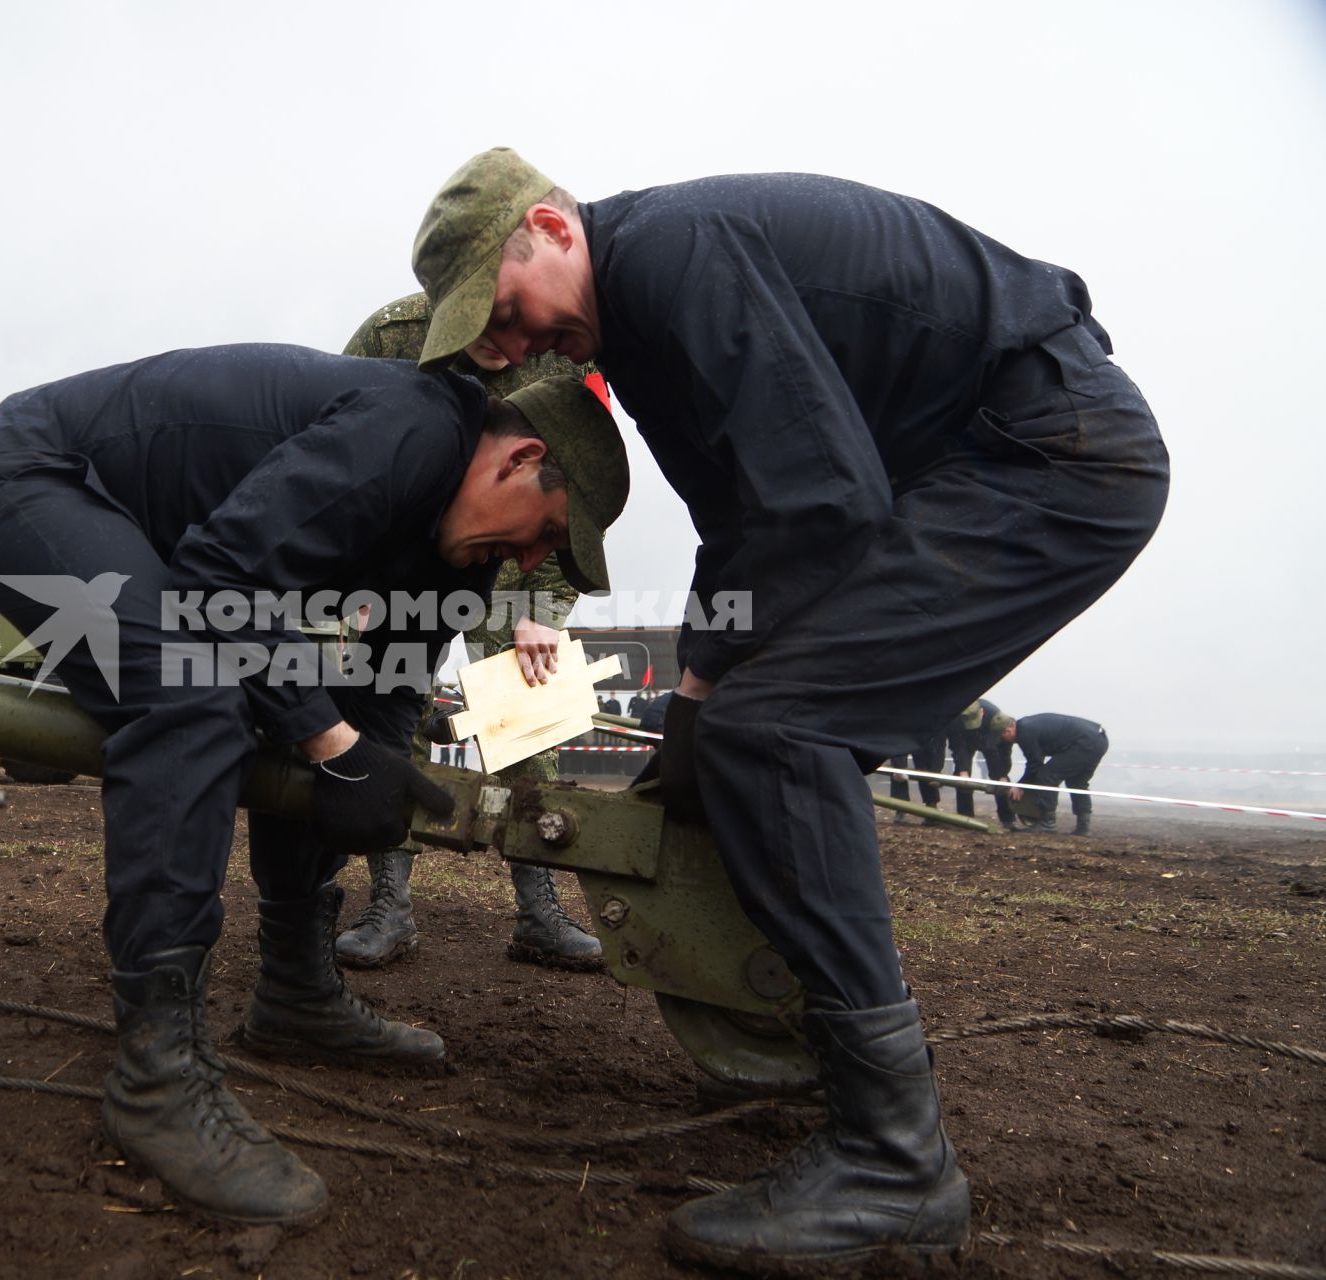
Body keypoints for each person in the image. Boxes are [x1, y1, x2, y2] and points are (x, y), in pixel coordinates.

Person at [409, 148, 1168, 1270]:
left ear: (551, 227)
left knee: (780, 731)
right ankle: (827, 1058)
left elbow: (823, 505)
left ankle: (894, 1158)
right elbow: (742, 521)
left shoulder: (668, 257)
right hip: (978, 462)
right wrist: (695, 709)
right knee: (735, 732)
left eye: (506, 307)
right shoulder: (643, 324)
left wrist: (727, 708)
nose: (510, 345)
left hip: (1047, 455)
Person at [0, 344, 626, 1226]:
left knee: (308, 715)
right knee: (191, 698)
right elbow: (220, 576)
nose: (533, 562)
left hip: (157, 541)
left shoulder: (464, 555)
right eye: (548, 533)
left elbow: (383, 692)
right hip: (34, 480)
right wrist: (331, 740)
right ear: (520, 459)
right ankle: (157, 1076)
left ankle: (296, 994)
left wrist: (366, 777)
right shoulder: (411, 432)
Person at [335, 292, 606, 971]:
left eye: (516, 325)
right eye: (482, 324)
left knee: (532, 717)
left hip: (515, 554)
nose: (504, 343)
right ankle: (389, 905)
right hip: (403, 555)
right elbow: (338, 453)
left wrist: (546, 612)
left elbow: (582, 490)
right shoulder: (392, 335)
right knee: (393, 715)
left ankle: (540, 910)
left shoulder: (564, 354)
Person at [999, 713, 1109, 834]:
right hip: (1099, 739)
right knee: (1077, 782)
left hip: (1083, 742)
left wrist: (1020, 786)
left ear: (1007, 731)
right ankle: (1083, 826)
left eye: (1002, 737)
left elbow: (1035, 764)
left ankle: (1047, 823)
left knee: (1047, 776)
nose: (1004, 741)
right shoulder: (1027, 726)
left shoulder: (1025, 733)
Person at [949, 699, 1017, 828]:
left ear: (982, 711)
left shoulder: (995, 717)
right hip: (965, 742)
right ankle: (965, 817)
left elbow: (1003, 750)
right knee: (962, 778)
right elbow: (958, 745)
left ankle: (1007, 819)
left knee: (1000, 779)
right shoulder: (956, 717)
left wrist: (1003, 774)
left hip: (990, 742)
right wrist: (963, 771)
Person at [886, 729, 946, 820]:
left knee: (925, 764)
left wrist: (937, 770)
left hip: (922, 728)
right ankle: (900, 807)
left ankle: (931, 804)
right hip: (902, 727)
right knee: (899, 767)